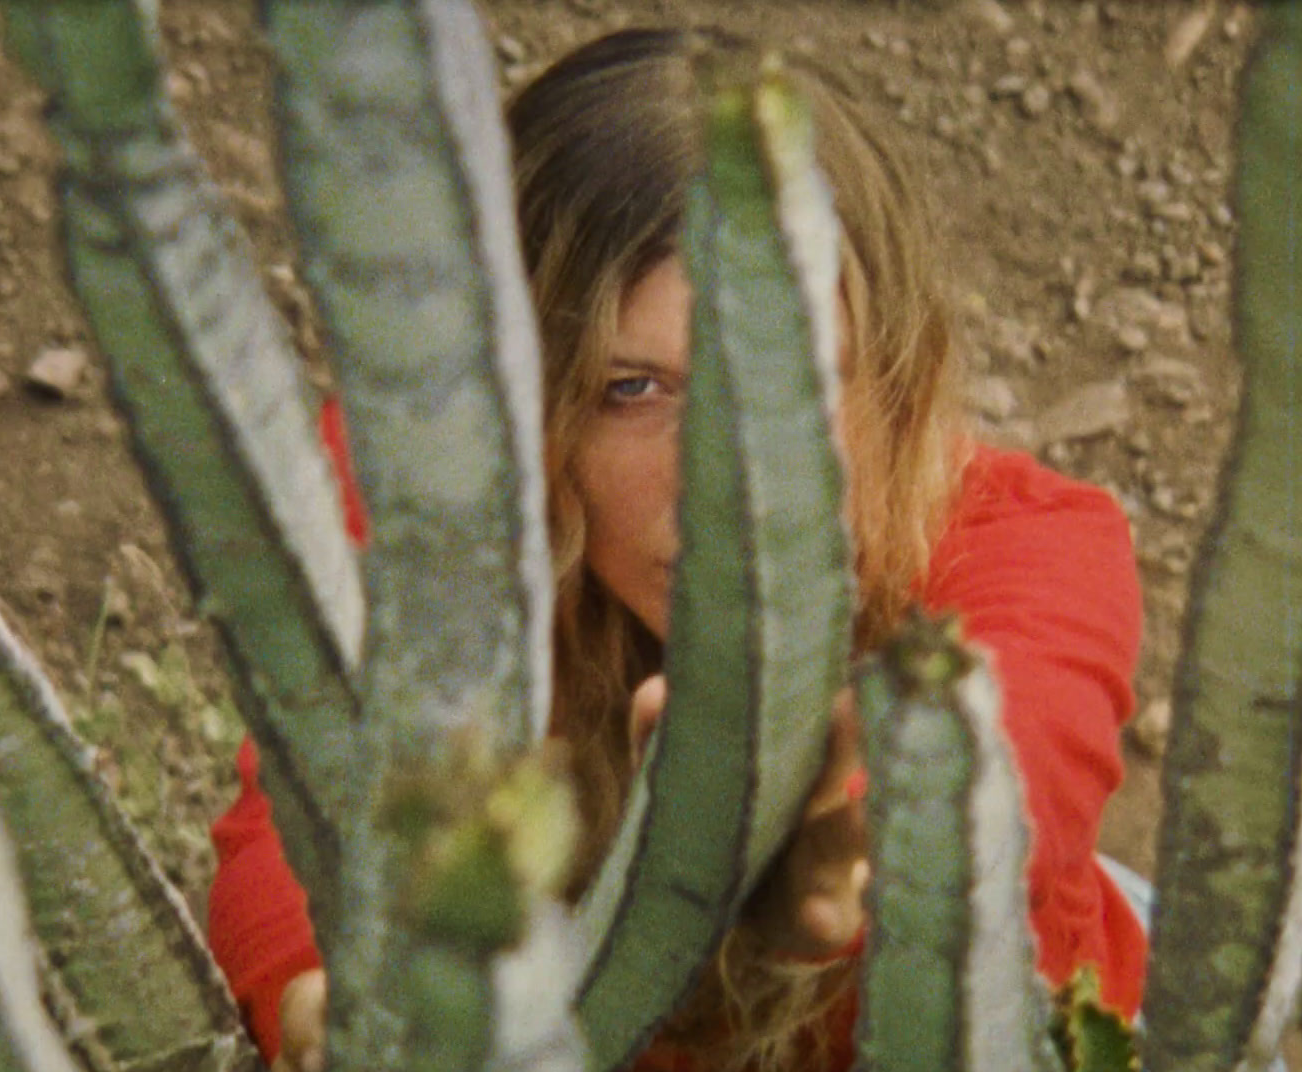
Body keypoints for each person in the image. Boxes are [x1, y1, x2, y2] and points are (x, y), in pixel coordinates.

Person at [207, 27, 1147, 1072]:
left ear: (889, 377)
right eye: (631, 389)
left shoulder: (1034, 544)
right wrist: (321, 997)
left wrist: (813, 839)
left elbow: (1003, 778)